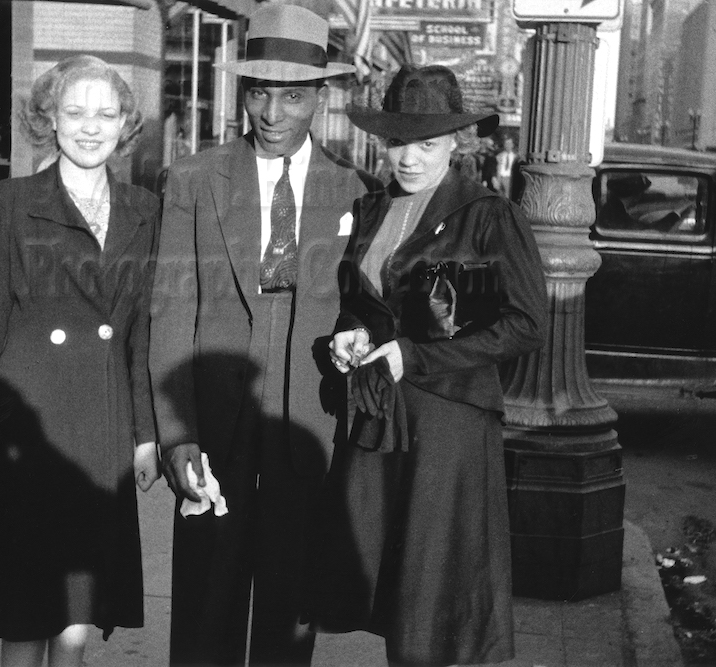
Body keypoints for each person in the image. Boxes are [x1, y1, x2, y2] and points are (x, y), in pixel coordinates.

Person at [148, 5, 382, 666]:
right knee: (204, 604)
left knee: (289, 617)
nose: (273, 113)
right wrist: (176, 434)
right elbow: (171, 311)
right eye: (259, 92)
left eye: (293, 95)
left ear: (320, 96)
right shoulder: (194, 180)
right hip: (214, 425)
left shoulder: (355, 193)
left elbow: (366, 312)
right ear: (242, 93)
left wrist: (360, 339)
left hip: (306, 429)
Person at [312, 64, 548, 666]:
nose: (410, 159)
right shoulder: (372, 210)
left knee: (435, 595)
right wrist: (350, 336)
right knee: (394, 594)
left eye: (428, 144)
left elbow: (526, 326)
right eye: (398, 144)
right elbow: (364, 305)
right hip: (379, 420)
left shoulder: (487, 215)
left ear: (457, 145)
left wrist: (415, 355)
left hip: (448, 428)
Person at [0, 55, 160, 667]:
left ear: (127, 123)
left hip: (102, 422)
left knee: (78, 604)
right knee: (25, 601)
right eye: (74, 112)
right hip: (26, 428)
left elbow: (141, 334)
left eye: (106, 113)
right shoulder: (4, 205)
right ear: (48, 118)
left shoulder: (146, 210)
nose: (90, 127)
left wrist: (145, 435)